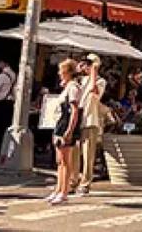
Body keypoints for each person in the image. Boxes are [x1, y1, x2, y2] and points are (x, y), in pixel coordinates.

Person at [48, 59, 81, 206]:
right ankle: (58, 189)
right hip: (60, 124)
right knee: (59, 161)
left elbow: (74, 111)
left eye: (62, 71)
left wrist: (69, 130)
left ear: (68, 73)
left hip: (65, 125)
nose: (59, 74)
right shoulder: (68, 87)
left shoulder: (73, 88)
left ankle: (64, 191)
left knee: (65, 161)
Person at [72, 55, 106, 196]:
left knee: (88, 154)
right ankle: (73, 180)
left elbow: (94, 90)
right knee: (74, 152)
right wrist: (77, 72)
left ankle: (85, 182)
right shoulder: (81, 80)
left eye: (89, 64)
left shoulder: (100, 81)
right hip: (78, 119)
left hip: (90, 120)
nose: (86, 66)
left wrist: (94, 70)